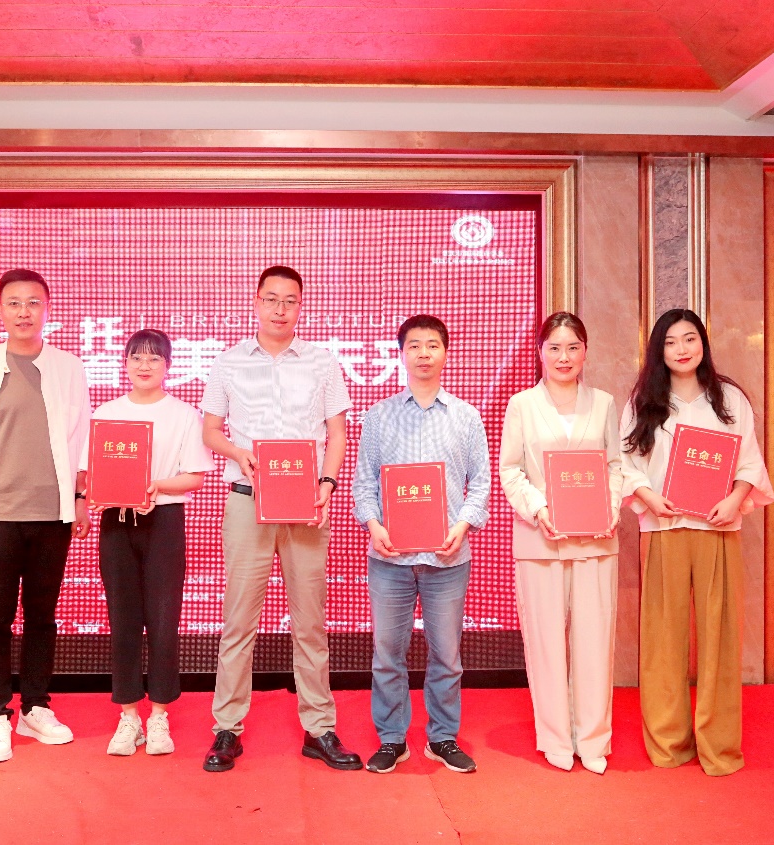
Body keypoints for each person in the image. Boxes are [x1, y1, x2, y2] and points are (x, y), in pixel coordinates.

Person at [199, 265, 361, 772]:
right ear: (256, 302)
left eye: (290, 301)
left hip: (305, 503)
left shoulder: (322, 362)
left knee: (310, 621)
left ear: (300, 307)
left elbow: (337, 433)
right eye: (271, 299)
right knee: (238, 620)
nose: (280, 309)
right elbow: (210, 430)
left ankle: (320, 728)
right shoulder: (229, 361)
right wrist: (238, 452)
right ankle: (227, 728)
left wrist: (327, 484)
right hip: (247, 500)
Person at [621, 308, 774, 777]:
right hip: (664, 529)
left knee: (720, 641)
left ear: (703, 343)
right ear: (658, 350)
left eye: (690, 338)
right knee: (663, 639)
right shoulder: (644, 401)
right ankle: (669, 743)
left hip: (717, 529)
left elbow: (749, 461)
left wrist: (735, 500)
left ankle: (718, 745)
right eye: (670, 342)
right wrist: (649, 496)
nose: (682, 349)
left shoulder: (729, 399)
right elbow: (625, 464)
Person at [0, 268, 92, 763]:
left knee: (42, 616)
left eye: (33, 303)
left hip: (53, 514)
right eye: (14, 303)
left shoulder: (69, 368)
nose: (24, 312)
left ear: (47, 309)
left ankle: (35, 707)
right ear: (0, 310)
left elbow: (83, 440)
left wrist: (80, 499)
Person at [351, 315, 491, 774]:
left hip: (447, 558)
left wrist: (462, 527)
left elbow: (481, 484)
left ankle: (442, 737)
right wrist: (375, 526)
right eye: (414, 345)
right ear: (402, 354)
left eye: (433, 344)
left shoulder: (466, 416)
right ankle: (392, 738)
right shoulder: (379, 415)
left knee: (446, 655)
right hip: (389, 558)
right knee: (387, 654)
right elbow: (363, 484)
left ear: (446, 353)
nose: (424, 353)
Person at [498, 312, 622, 775]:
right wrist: (540, 510)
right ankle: (554, 737)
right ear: (540, 352)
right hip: (541, 540)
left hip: (596, 539)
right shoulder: (522, 405)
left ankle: (593, 738)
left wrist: (610, 507)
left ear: (585, 351)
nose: (564, 357)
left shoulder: (604, 403)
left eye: (573, 347)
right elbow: (510, 470)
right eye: (554, 347)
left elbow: (616, 466)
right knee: (546, 643)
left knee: (595, 641)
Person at [93, 329, 215, 756]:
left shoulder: (184, 414)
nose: (144, 366)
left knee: (164, 621)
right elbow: (89, 474)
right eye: (136, 358)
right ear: (124, 363)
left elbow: (195, 477)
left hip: (164, 521)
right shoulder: (106, 413)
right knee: (122, 620)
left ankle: (159, 715)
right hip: (116, 523)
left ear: (168, 366)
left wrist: (155, 486)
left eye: (154, 359)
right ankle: (129, 717)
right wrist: (97, 492)